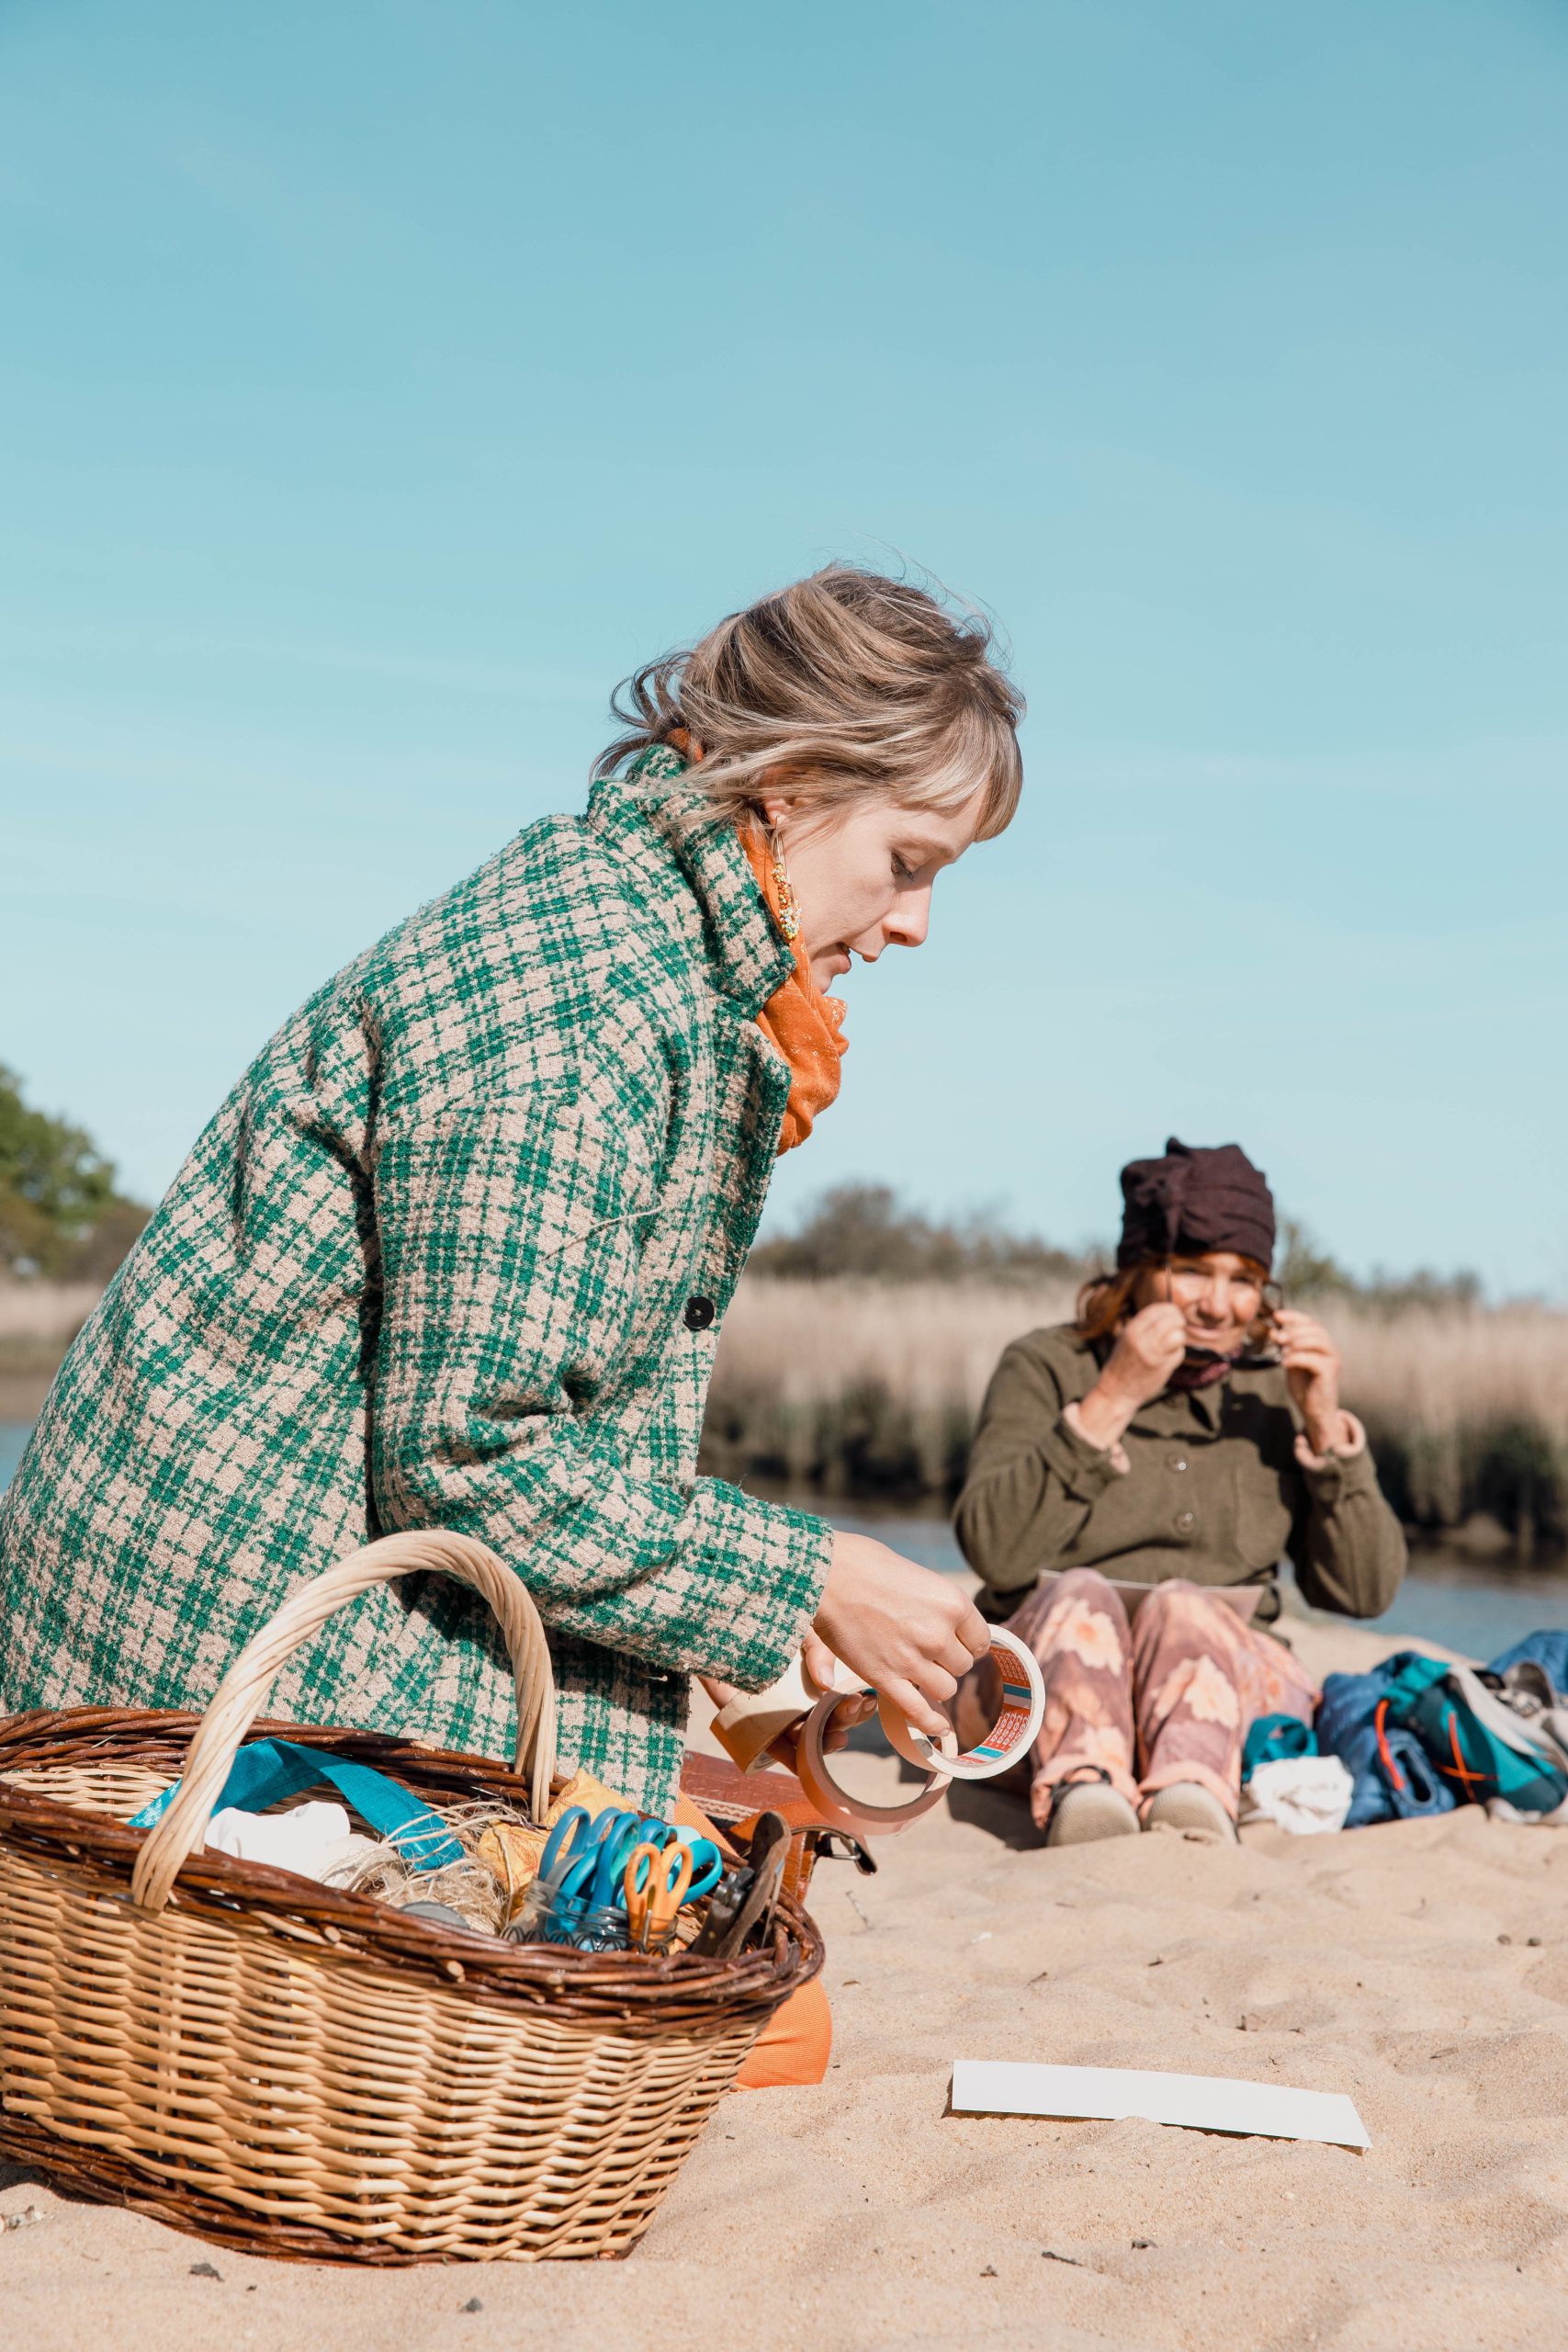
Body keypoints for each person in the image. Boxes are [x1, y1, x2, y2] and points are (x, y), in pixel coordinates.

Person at [0, 565, 1019, 1812]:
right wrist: (806, 1578)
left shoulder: (628, 934)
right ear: (793, 781)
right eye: (907, 861)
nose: (915, 925)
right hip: (203, 1693)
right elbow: (469, 1456)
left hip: (241, 1633)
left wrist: (737, 1628)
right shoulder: (589, 1006)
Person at [953, 1137, 1406, 1843]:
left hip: (1225, 1704)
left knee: (1185, 1607)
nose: (1219, 1305)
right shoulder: (1046, 1366)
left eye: (1243, 1279)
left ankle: (1190, 1795)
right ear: (1135, 1272)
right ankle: (1084, 1796)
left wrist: (1324, 1428)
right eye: (1192, 1272)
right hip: (1037, 1695)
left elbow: (1363, 1593)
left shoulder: (1276, 1392)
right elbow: (994, 1551)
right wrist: (1113, 1396)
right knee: (1079, 1594)